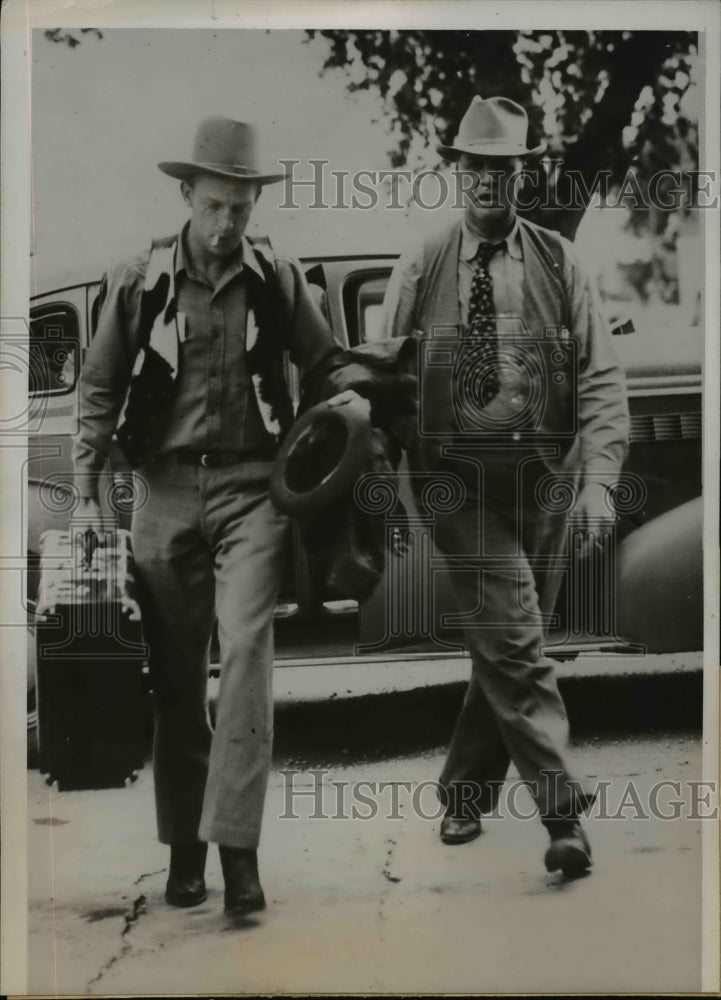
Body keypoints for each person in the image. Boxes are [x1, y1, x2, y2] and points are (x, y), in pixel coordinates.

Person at [72, 116, 349, 916]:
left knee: (249, 655)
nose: (228, 224)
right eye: (216, 205)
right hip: (162, 493)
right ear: (186, 194)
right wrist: (88, 498)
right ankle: (184, 852)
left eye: (242, 207)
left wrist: (347, 422)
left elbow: (323, 365)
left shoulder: (277, 277)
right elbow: (97, 391)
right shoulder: (139, 280)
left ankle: (239, 854)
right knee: (175, 676)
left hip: (253, 492)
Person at [381, 96, 630, 876]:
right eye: (475, 167)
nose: (488, 181)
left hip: (546, 484)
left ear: (520, 177)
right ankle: (563, 816)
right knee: (516, 635)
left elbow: (599, 380)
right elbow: (383, 385)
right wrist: (384, 490)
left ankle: (461, 793)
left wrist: (596, 484)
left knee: (506, 643)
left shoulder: (559, 261)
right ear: (456, 172)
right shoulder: (423, 263)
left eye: (503, 169)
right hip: (454, 484)